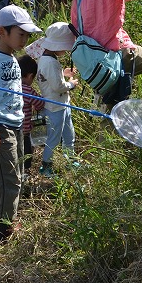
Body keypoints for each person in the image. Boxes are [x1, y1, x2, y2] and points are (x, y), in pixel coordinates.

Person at [0, 4, 41, 239]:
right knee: (9, 177)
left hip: (17, 124)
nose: (25, 39)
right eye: (21, 34)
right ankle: (2, 227)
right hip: (1, 125)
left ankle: (9, 217)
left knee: (18, 173)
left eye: (27, 35)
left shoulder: (14, 59)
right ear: (2, 32)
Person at [35, 22, 78, 177]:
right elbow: (58, 87)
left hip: (62, 105)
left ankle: (70, 160)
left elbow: (51, 78)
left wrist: (64, 73)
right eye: (65, 47)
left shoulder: (47, 59)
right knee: (54, 138)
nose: (66, 50)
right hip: (55, 107)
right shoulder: (50, 62)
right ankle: (46, 166)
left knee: (69, 134)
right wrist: (71, 84)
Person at [17, 55, 44, 174]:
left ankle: (17, 172)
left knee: (15, 154)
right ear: (29, 76)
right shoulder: (28, 90)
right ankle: (24, 173)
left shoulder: (13, 86)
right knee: (26, 155)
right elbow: (40, 103)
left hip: (13, 129)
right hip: (25, 132)